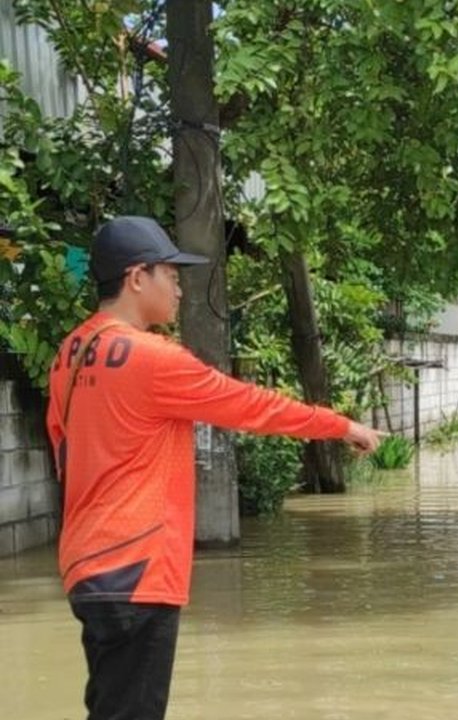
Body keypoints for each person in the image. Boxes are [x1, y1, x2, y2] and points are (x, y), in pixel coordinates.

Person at [45, 216, 384, 720]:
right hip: (138, 566)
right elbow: (252, 406)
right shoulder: (153, 358)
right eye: (171, 275)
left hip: (86, 567)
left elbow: (61, 446)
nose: (180, 288)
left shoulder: (68, 355)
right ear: (137, 277)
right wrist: (340, 426)